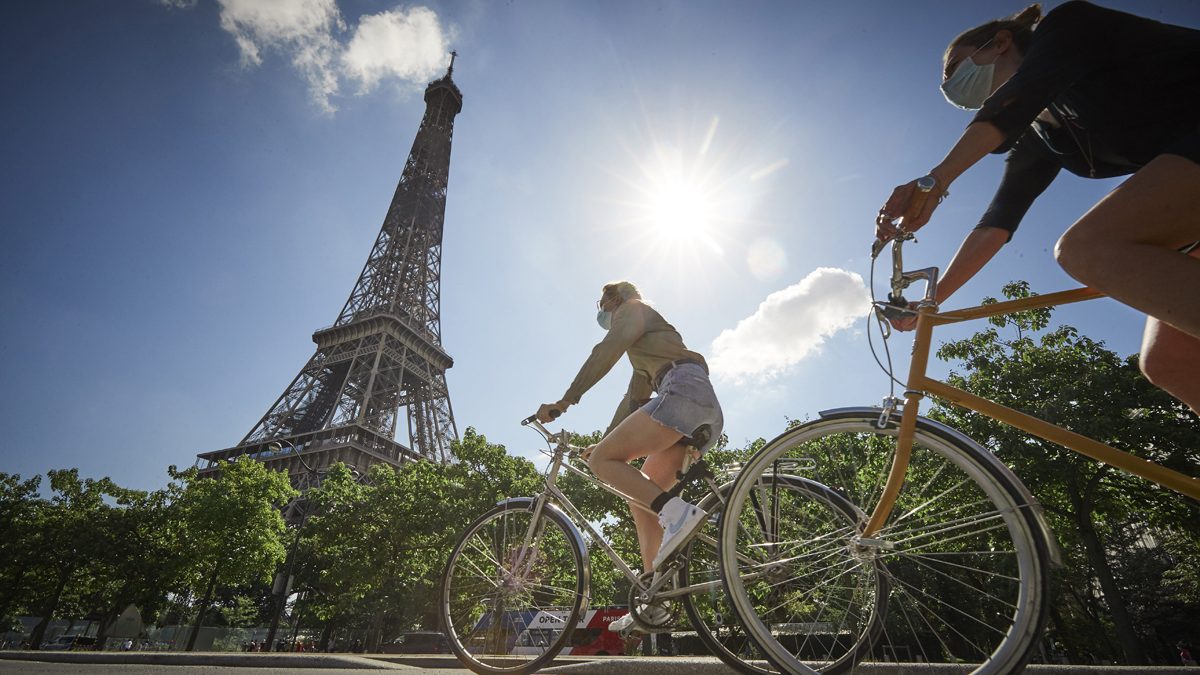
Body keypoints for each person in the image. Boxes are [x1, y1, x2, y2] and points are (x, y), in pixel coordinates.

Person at [875, 1, 1200, 413]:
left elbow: (1018, 99)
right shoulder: (1045, 134)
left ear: (1000, 43)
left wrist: (935, 180)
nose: (949, 84)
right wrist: (930, 304)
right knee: (1169, 361)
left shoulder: (1070, 26)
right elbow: (998, 221)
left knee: (1086, 248)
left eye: (954, 68)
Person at [536, 281, 724, 632]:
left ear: (612, 299)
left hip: (681, 391)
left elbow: (606, 350)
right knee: (643, 498)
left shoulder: (632, 308)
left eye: (603, 303)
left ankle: (679, 513)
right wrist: (605, 442)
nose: (603, 311)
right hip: (701, 407)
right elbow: (634, 401)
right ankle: (654, 595)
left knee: (606, 466)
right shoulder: (646, 356)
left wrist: (566, 400)